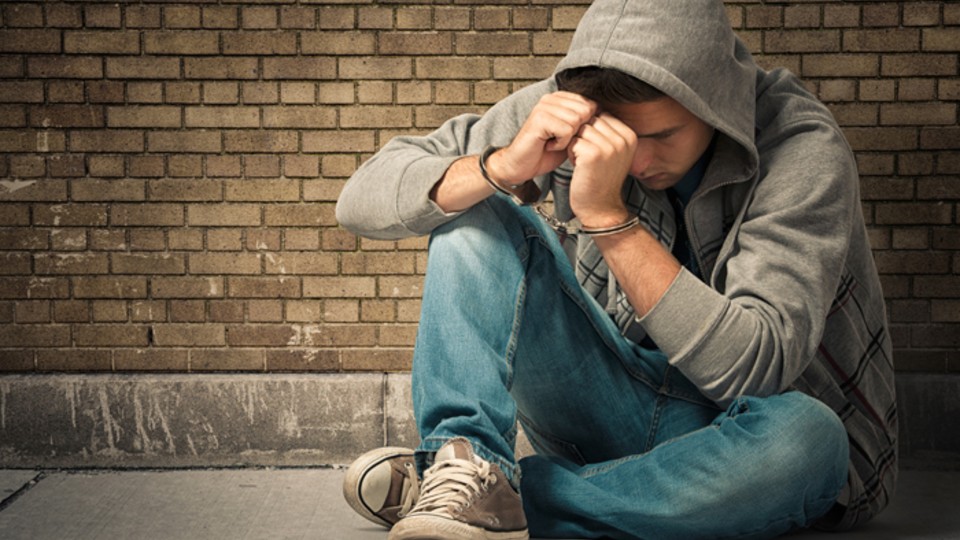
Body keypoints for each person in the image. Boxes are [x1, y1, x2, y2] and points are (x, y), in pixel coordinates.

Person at [335, 1, 897, 538]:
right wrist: (501, 166)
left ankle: (480, 497)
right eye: (615, 137)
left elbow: (754, 371)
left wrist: (608, 217)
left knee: (810, 437)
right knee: (474, 210)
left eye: (661, 135)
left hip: (753, 445)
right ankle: (468, 463)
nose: (639, 159)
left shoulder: (801, 145)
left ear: (716, 104)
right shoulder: (565, 106)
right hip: (616, 407)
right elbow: (359, 198)